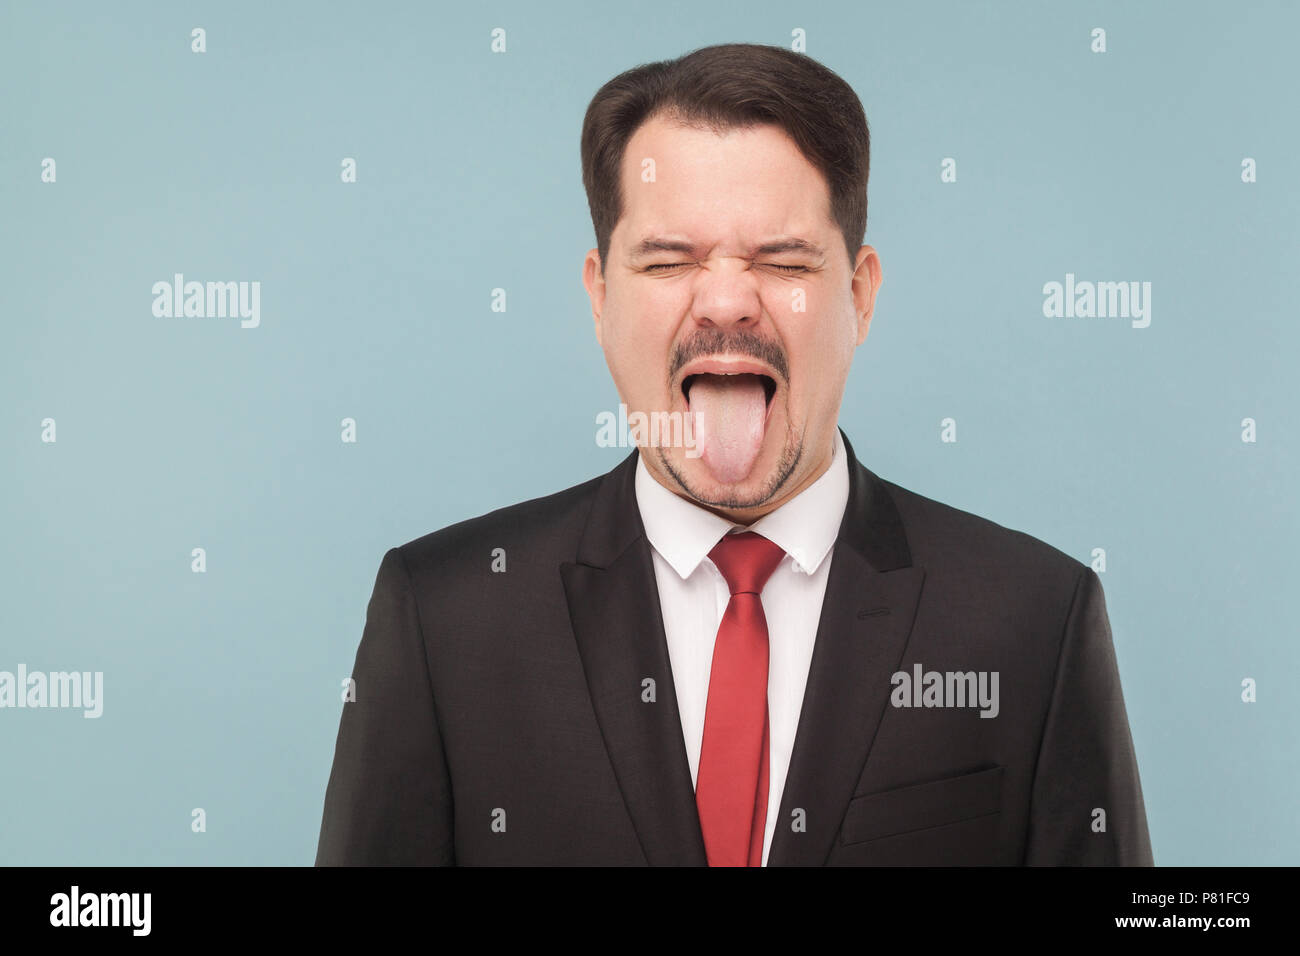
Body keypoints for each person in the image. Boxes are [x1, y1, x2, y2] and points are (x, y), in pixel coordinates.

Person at [315, 42, 1153, 866]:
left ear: (859, 295)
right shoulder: (445, 619)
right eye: (668, 260)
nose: (725, 300)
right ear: (600, 297)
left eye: (782, 260)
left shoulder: (1034, 620)